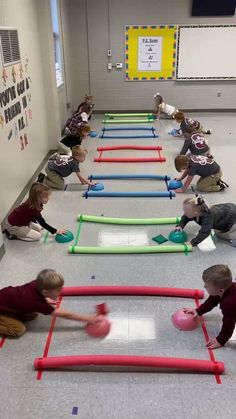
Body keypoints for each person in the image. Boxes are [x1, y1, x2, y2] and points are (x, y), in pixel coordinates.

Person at [0, 269, 96, 337]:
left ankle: (11, 314)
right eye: (58, 291)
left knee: (32, 315)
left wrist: (46, 298)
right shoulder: (38, 303)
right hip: (2, 308)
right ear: (45, 292)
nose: (61, 292)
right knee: (19, 330)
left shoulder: (37, 283)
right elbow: (66, 315)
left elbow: (32, 295)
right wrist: (88, 318)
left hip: (6, 299)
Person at [184, 265, 236, 349]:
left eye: (207, 285)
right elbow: (211, 301)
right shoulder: (223, 290)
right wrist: (198, 311)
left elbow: (229, 324)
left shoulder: (229, 304)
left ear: (220, 290)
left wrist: (221, 340)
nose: (204, 286)